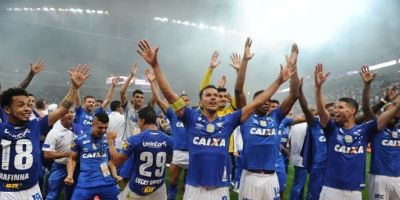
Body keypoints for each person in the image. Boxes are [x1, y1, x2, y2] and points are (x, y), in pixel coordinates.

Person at [136, 39, 295, 199]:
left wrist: (279, 81)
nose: (213, 98)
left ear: (220, 101)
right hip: (194, 188)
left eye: (215, 96)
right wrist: (155, 66)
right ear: (200, 102)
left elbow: (258, 102)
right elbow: (168, 94)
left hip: (220, 188)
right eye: (208, 95)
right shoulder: (190, 117)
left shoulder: (229, 120)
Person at [0, 64, 90, 199]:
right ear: (7, 110)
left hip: (32, 190)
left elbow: (62, 109)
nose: (27, 109)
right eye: (21, 105)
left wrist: (75, 88)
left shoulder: (35, 126)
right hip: (5, 192)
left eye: (28, 105)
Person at [314, 63, 400, 200]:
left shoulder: (365, 130)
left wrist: (367, 86)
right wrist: (318, 88)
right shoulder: (331, 129)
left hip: (355, 192)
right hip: (331, 189)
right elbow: (322, 112)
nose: (335, 110)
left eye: (340, 107)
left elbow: (387, 113)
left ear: (352, 111)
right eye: (335, 108)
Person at [107, 106, 174, 200]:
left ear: (142, 121)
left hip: (137, 187)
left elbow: (116, 162)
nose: (138, 123)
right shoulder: (169, 140)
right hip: (158, 186)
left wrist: (110, 141)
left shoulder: (134, 140)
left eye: (138, 121)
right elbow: (170, 160)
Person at [145, 69, 189, 200]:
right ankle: (171, 197)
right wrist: (153, 83)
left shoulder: (194, 115)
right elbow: (159, 100)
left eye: (187, 100)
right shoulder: (173, 115)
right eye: (183, 100)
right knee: (174, 180)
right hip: (178, 152)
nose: (185, 102)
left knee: (190, 183)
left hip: (193, 152)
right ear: (178, 102)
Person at [65, 112, 120, 200]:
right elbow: (72, 159)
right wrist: (70, 175)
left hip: (107, 182)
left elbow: (114, 160)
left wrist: (115, 175)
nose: (103, 130)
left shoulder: (108, 138)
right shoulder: (79, 139)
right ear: (93, 124)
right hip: (85, 183)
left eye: (106, 128)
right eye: (100, 127)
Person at [42, 108, 84, 200]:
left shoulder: (79, 128)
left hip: (77, 167)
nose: (70, 114)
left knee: (73, 195)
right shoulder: (54, 133)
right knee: (52, 195)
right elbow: (47, 154)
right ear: (60, 117)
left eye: (71, 112)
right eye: (66, 113)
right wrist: (66, 154)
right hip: (60, 167)